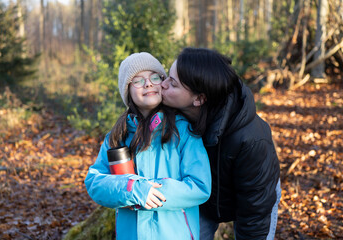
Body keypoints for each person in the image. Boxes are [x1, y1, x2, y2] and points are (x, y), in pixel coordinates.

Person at [85, 52, 211, 240]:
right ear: (127, 90)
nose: (148, 84)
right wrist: (132, 189)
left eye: (155, 77)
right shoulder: (118, 136)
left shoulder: (183, 131)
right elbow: (95, 182)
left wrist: (153, 192)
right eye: (138, 80)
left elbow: (200, 186)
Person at [161, 47, 281, 240]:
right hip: (202, 197)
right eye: (167, 77)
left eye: (172, 84)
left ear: (199, 99)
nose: (162, 85)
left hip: (252, 196)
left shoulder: (251, 139)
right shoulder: (171, 113)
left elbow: (254, 215)